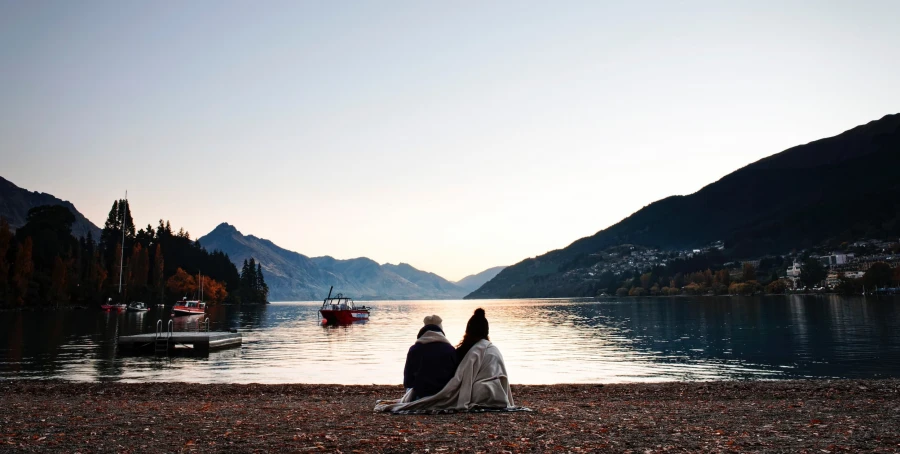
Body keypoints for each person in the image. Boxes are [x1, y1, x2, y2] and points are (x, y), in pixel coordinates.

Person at [376, 308, 520, 413]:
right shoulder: (489, 349)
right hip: (500, 394)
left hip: (477, 394)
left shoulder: (416, 349)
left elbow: (460, 377)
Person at [402, 315, 458, 400]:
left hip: (420, 395)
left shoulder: (414, 349)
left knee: (410, 391)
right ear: (441, 329)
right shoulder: (450, 349)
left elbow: (407, 382)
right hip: (446, 395)